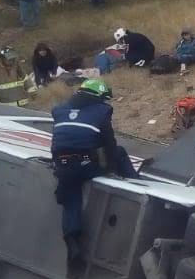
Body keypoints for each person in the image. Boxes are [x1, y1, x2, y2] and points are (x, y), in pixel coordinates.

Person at [50, 79, 137, 262]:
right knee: (120, 152)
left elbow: (59, 141)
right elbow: (109, 144)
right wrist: (112, 168)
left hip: (63, 166)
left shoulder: (59, 110)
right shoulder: (101, 111)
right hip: (87, 165)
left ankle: (72, 241)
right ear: (98, 96)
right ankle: (137, 181)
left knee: (70, 197)